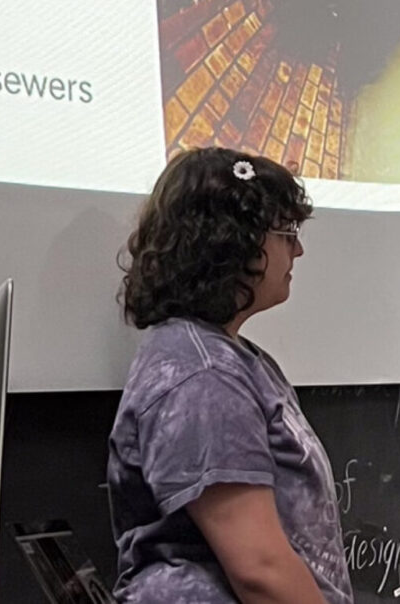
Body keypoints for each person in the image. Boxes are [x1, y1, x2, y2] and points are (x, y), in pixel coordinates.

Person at [108, 148, 352, 604]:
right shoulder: (202, 374)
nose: (297, 249)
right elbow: (260, 570)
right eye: (286, 232)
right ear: (231, 242)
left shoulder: (229, 358)